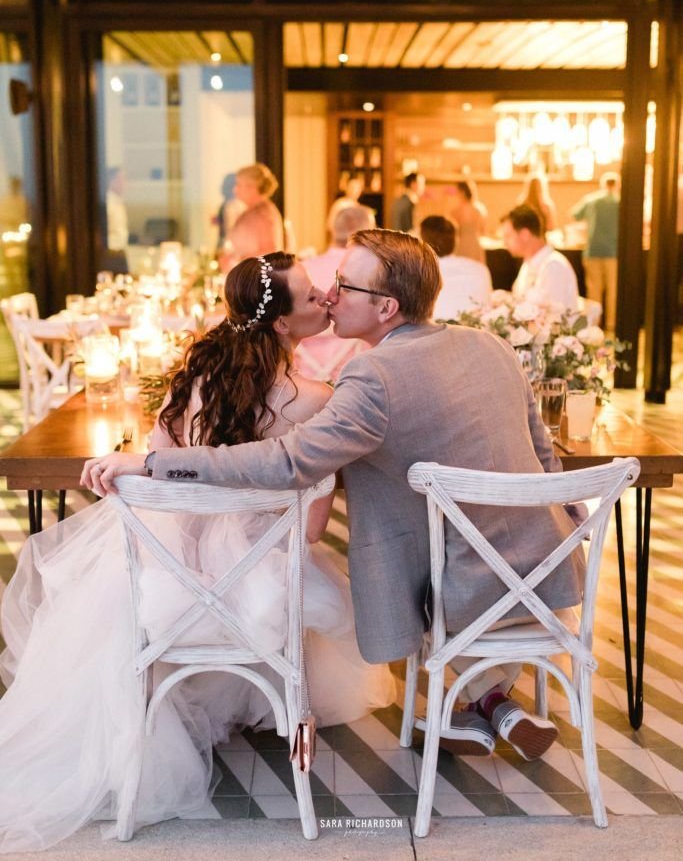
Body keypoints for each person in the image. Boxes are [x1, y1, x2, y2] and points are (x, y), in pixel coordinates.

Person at [86, 229, 585, 764]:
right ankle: (489, 705)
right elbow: (544, 455)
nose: (332, 294)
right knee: (438, 550)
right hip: (553, 574)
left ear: (386, 306)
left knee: (417, 567)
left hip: (464, 593)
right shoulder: (492, 345)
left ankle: (466, 706)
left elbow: (286, 462)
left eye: (345, 284)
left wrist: (154, 463)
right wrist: (572, 523)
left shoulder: (370, 376)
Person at [0, 252, 394, 853]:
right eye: (314, 296)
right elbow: (311, 532)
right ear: (283, 325)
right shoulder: (315, 399)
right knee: (314, 584)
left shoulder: (191, 383)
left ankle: (178, 693)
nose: (327, 300)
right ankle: (273, 704)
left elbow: (159, 487)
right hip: (258, 593)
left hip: (168, 584)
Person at [296, 204, 375, 381]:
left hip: (303, 378)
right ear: (368, 235)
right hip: (356, 376)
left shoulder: (302, 271)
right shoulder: (372, 275)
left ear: (333, 230)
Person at [502, 205, 579, 312]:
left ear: (525, 234)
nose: (504, 243)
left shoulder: (554, 266)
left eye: (508, 236)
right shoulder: (529, 264)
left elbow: (552, 319)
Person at [570, 172, 620, 330]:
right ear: (617, 184)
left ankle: (594, 325)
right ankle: (611, 325)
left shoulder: (592, 200)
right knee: (613, 290)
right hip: (613, 251)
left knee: (594, 291)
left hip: (593, 250)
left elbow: (575, 215)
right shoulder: (620, 202)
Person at [420, 215, 492, 319]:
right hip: (475, 332)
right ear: (456, 240)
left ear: (422, 242)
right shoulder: (480, 269)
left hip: (433, 333)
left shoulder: (418, 273)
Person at [224, 163, 286, 268]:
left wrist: (237, 260)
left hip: (259, 280)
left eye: (239, 185)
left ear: (252, 187)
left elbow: (270, 252)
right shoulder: (253, 211)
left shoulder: (263, 213)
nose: (235, 190)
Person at [449, 180, 487, 263]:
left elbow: (453, 232)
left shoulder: (455, 211)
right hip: (476, 245)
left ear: (462, 192)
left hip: (462, 245)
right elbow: (483, 231)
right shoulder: (480, 209)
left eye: (457, 192)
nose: (456, 195)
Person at [104, 165, 129, 274]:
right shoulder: (107, 203)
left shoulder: (118, 202)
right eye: (121, 179)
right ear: (112, 181)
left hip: (119, 251)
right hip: (110, 253)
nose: (124, 183)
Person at [214, 171, 246, 253]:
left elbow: (231, 227)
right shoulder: (229, 204)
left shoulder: (234, 205)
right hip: (225, 241)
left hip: (229, 245)